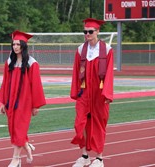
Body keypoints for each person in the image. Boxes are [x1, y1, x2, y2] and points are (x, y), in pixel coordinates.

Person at [0, 30, 46, 167]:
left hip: (25, 101)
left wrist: (36, 105)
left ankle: (16, 158)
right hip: (11, 101)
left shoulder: (32, 63)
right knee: (13, 129)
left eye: (18, 44)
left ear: (24, 45)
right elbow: (5, 82)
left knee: (19, 127)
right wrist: (3, 102)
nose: (15, 47)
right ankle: (28, 148)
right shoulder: (9, 62)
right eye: (13, 44)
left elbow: (36, 85)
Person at [70, 18, 114, 167]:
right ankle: (84, 156)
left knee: (99, 125)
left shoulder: (106, 50)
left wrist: (107, 94)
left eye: (90, 31)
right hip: (84, 93)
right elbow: (76, 72)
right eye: (85, 32)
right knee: (79, 124)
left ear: (97, 32)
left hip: (99, 94)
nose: (87, 34)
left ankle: (99, 158)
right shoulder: (81, 49)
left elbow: (109, 74)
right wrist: (75, 91)